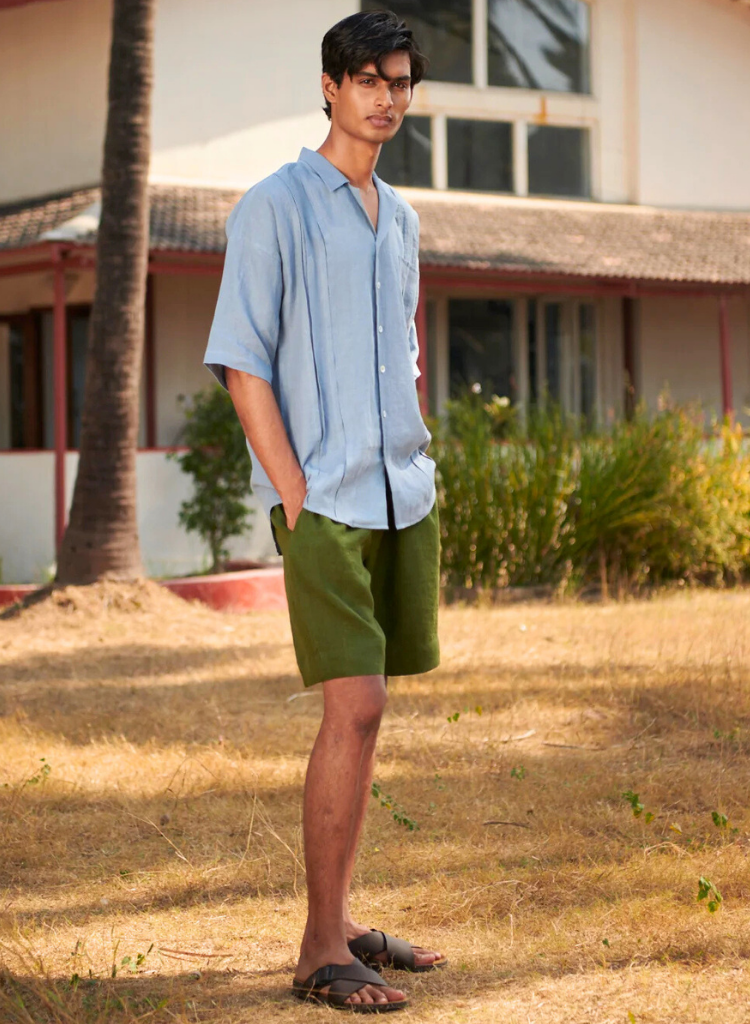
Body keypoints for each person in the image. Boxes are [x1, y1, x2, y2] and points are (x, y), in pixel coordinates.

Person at [203, 9, 446, 1012]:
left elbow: (405, 349)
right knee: (357, 705)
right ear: (330, 87)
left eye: (400, 82)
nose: (386, 98)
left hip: (401, 494)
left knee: (371, 713)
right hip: (325, 503)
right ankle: (317, 952)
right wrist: (293, 492)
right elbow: (242, 361)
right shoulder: (275, 206)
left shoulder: (404, 219)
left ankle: (342, 919)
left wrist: (418, 456)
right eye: (369, 80)